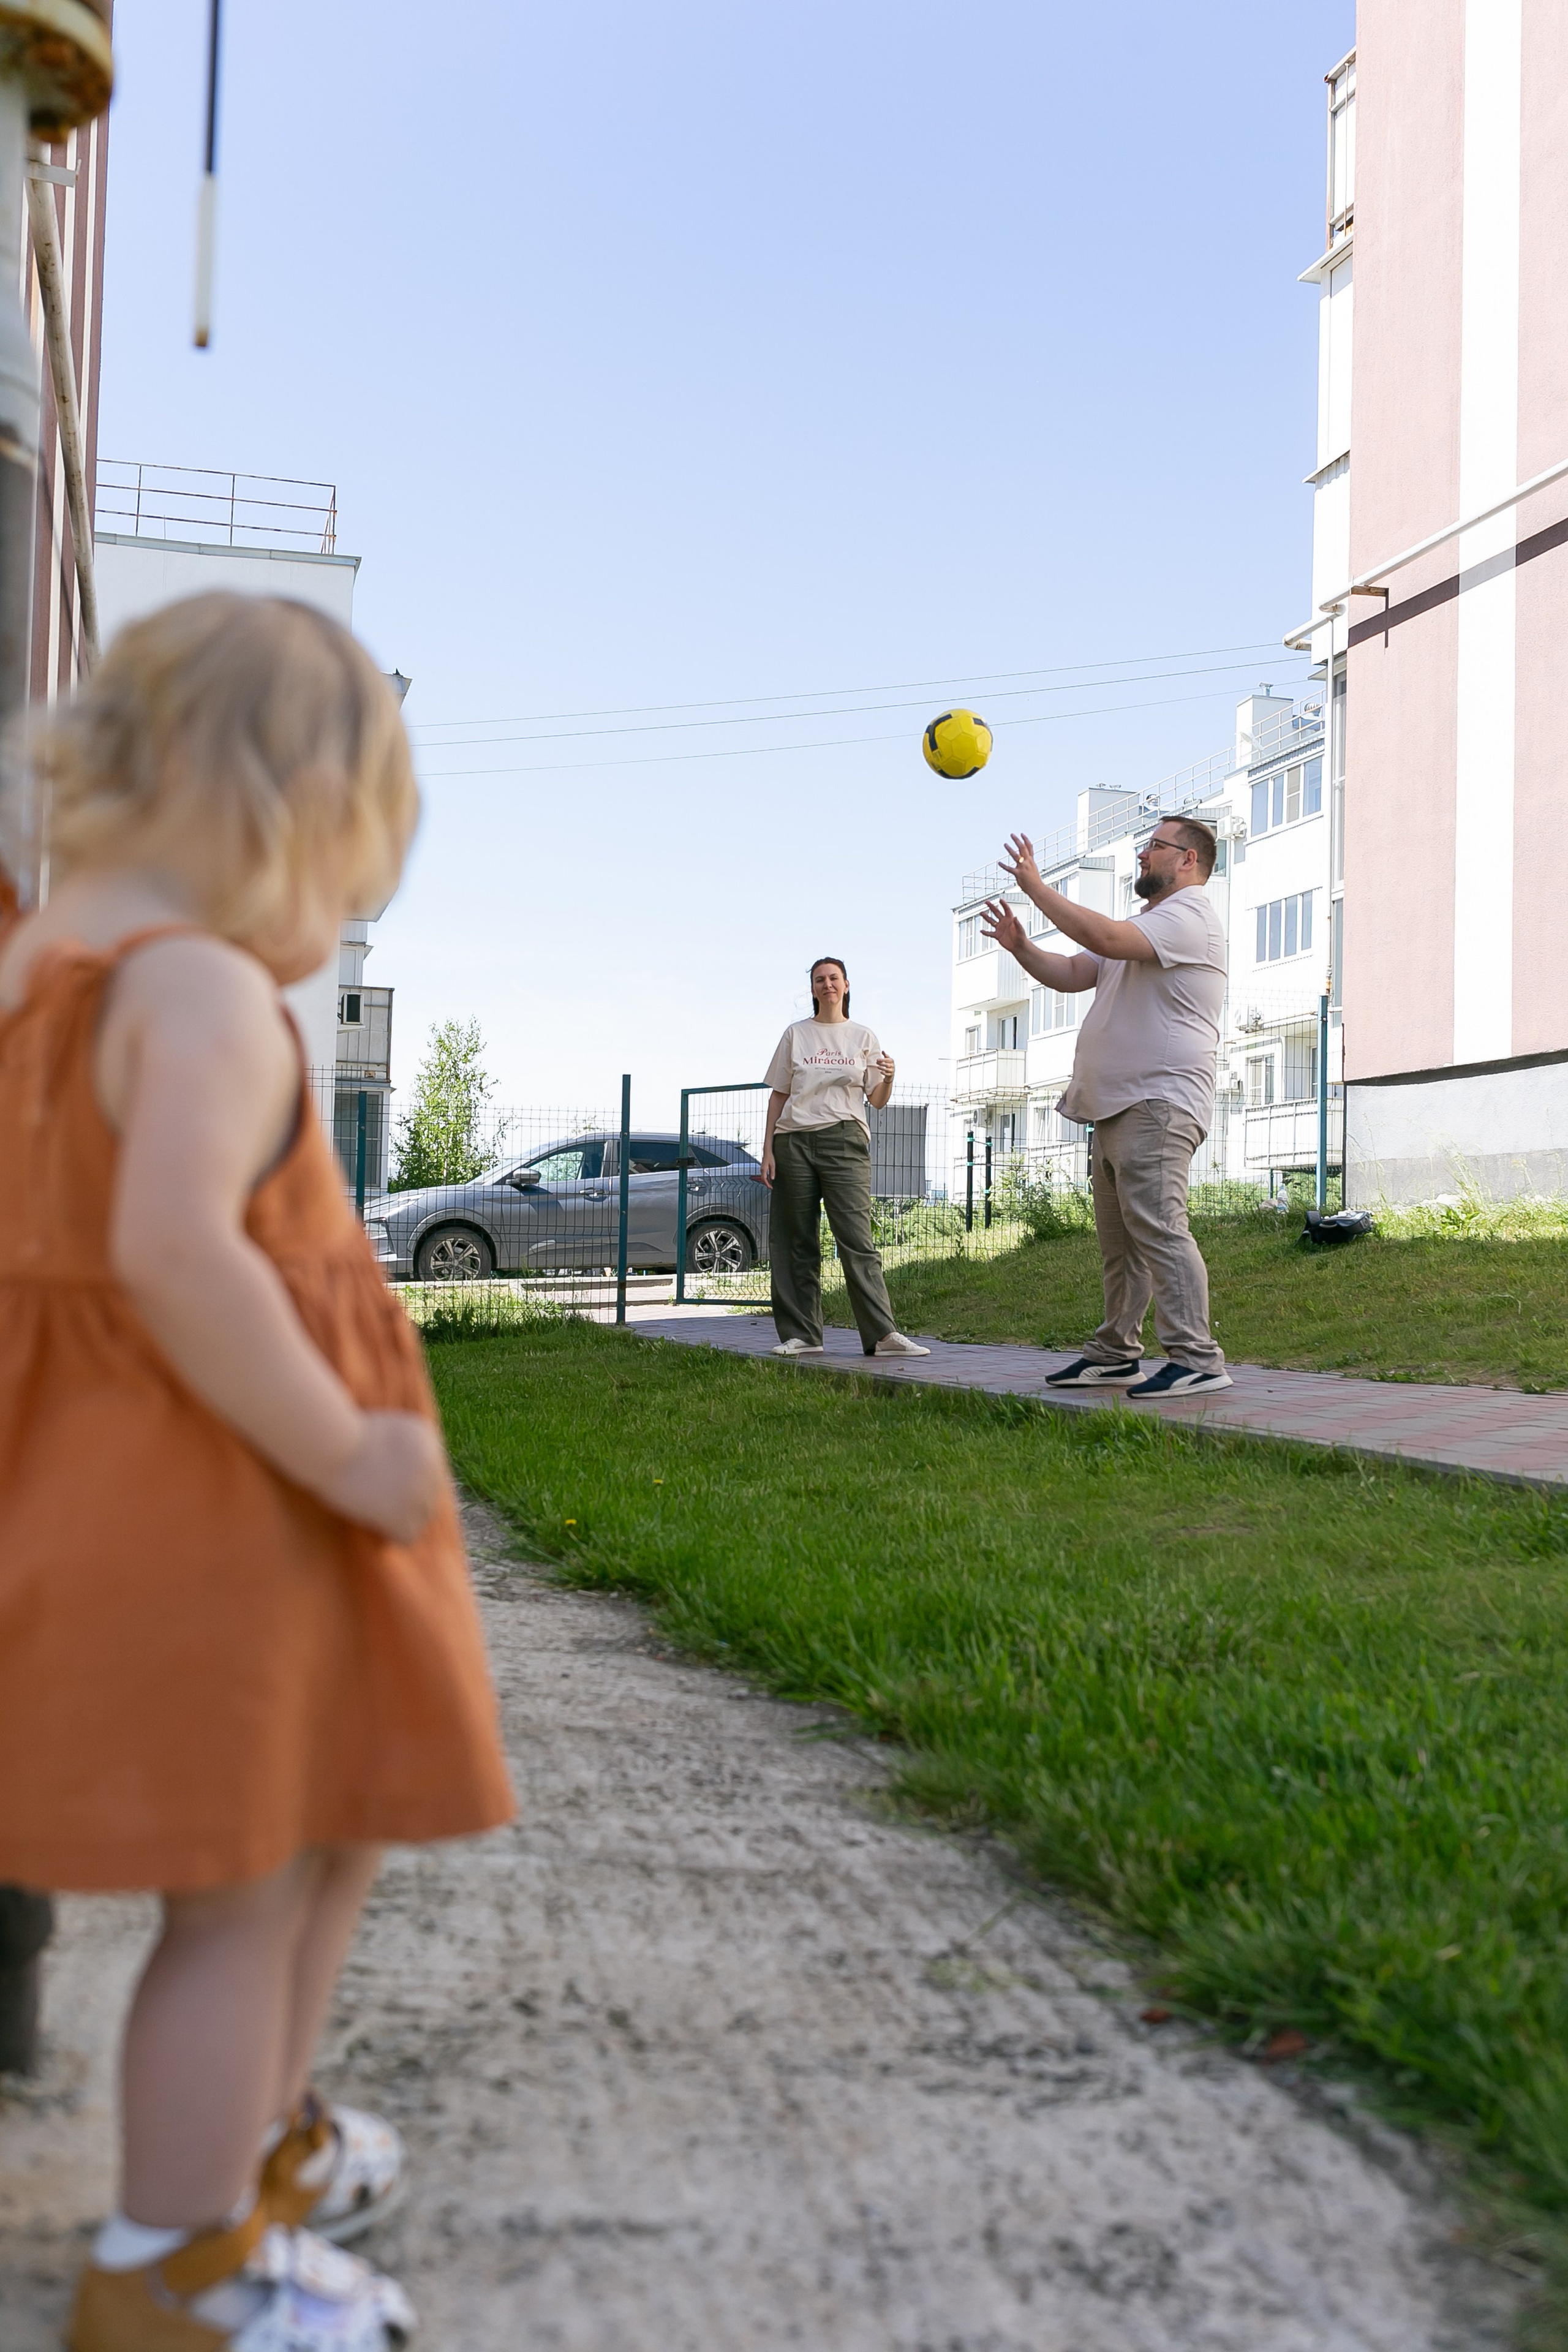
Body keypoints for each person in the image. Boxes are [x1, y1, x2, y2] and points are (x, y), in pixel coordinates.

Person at [0, 594, 515, 2351]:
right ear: (285, 816)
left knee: (324, 1834)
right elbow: (178, 1258)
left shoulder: (34, 981)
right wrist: (349, 1451)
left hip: (111, 1501)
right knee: (240, 1893)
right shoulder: (203, 994)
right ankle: (177, 2268)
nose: (329, 932)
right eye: (343, 884)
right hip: (229, 1505)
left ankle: (255, 2144)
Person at [982, 818, 1233, 1397]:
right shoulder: (1150, 926)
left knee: (1161, 1230)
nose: (1143, 856)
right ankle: (1117, 1354)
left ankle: (1197, 1357)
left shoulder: (1189, 915)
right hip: (1120, 1105)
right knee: (1122, 1245)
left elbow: (1105, 940)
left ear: (1189, 860)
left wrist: (1039, 890)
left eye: (1155, 848)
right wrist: (1021, 945)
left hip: (1159, 1099)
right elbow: (1075, 972)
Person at [761, 957, 930, 1360]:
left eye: (833, 978)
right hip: (794, 1140)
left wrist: (889, 1076)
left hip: (844, 1139)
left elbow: (876, 1099)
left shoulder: (862, 1036)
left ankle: (883, 1336)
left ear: (847, 985)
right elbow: (779, 1095)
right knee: (794, 1241)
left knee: (857, 1240)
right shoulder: (796, 1035)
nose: (827, 985)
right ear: (813, 989)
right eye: (820, 980)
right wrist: (767, 1149)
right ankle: (803, 1335)